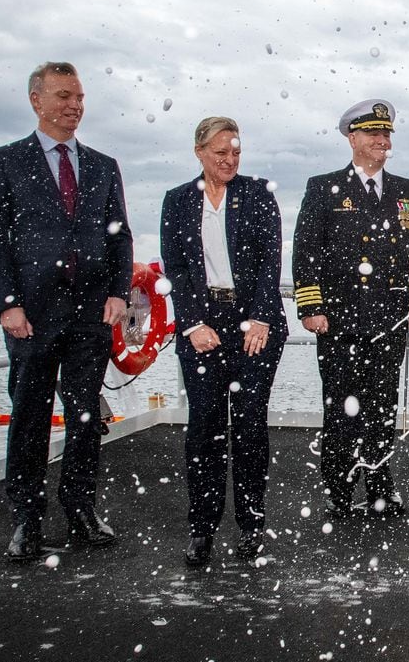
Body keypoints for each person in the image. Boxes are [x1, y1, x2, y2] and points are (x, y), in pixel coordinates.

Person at [0, 61, 133, 561]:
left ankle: (81, 510)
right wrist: (7, 304)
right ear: (35, 100)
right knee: (30, 417)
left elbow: (120, 235)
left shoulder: (104, 166)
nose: (74, 105)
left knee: (86, 418)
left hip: (91, 312)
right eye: (64, 95)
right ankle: (26, 518)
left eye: (79, 96)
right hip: (33, 314)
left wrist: (118, 293)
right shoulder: (3, 161)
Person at [293, 99, 409, 520]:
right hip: (338, 319)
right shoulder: (324, 188)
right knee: (340, 406)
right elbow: (307, 252)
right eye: (373, 133)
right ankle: (339, 489)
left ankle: (378, 487)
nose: (382, 140)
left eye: (386, 133)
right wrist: (311, 306)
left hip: (389, 318)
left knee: (381, 406)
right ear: (352, 138)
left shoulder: (406, 191)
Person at [160, 117, 288, 567]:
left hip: (253, 325)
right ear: (199, 152)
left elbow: (272, 260)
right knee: (204, 431)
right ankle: (202, 530)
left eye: (235, 151)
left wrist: (260, 320)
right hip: (203, 327)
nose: (230, 160)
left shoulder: (258, 194)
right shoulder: (177, 201)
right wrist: (192, 324)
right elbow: (174, 268)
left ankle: (252, 526)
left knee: (251, 426)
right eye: (220, 153)